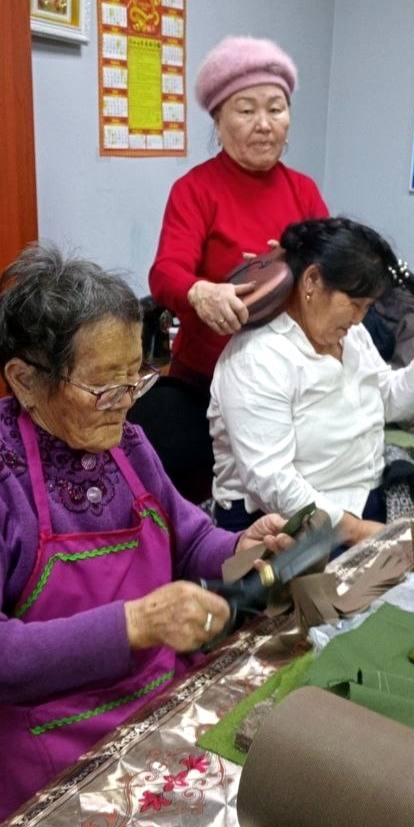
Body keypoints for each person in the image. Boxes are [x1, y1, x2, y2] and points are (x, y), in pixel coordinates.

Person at [0, 244, 291, 821]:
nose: (126, 405)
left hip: (158, 712)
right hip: (53, 752)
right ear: (25, 380)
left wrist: (241, 547)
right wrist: (134, 624)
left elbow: (191, 539)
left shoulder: (127, 444)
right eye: (105, 389)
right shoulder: (7, 480)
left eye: (136, 380)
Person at [145, 36, 328, 497]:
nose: (264, 124)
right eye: (246, 110)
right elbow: (165, 272)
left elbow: (333, 273)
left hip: (288, 386)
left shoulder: (304, 191)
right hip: (207, 384)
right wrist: (201, 292)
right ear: (218, 120)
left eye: (276, 109)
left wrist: (300, 273)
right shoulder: (195, 190)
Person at [209, 218, 414, 544]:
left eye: (367, 307)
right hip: (283, 525)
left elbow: (386, 402)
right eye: (354, 305)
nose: (359, 319)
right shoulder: (258, 357)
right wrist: (358, 532)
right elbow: (272, 482)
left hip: (360, 504)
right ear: (312, 281)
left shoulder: (351, 336)